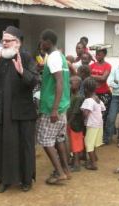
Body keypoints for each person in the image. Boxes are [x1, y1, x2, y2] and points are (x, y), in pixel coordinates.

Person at [0, 26, 38, 192]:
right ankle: (3, 180)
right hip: (2, 113)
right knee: (2, 147)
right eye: (3, 40)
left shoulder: (26, 57)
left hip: (22, 113)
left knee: (24, 147)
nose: (4, 43)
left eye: (8, 40)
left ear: (18, 43)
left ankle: (26, 180)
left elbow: (34, 81)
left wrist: (22, 72)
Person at [37, 29, 71, 185]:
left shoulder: (52, 58)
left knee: (46, 141)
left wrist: (54, 109)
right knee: (59, 139)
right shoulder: (60, 56)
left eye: (42, 40)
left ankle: (59, 172)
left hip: (52, 107)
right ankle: (66, 170)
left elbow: (59, 82)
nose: (40, 43)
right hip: (62, 105)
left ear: (48, 42)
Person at [81, 77, 105, 170]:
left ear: (86, 89)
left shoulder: (88, 100)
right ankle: (94, 157)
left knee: (88, 144)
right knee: (93, 142)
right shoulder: (98, 99)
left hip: (91, 125)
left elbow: (86, 114)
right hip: (99, 124)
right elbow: (102, 110)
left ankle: (93, 164)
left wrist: (82, 113)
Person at [90, 48, 112, 144]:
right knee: (94, 116)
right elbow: (99, 77)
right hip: (93, 93)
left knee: (103, 115)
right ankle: (95, 137)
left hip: (104, 93)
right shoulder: (92, 65)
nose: (97, 55)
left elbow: (104, 78)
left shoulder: (108, 66)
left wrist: (92, 76)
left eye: (99, 54)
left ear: (104, 54)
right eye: (96, 54)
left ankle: (103, 137)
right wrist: (98, 77)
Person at [67, 76, 85, 171]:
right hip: (72, 124)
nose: (69, 85)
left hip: (76, 125)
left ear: (78, 85)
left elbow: (75, 112)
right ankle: (74, 160)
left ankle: (77, 164)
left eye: (71, 83)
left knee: (76, 144)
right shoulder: (72, 95)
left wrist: (68, 123)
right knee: (73, 144)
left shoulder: (79, 97)